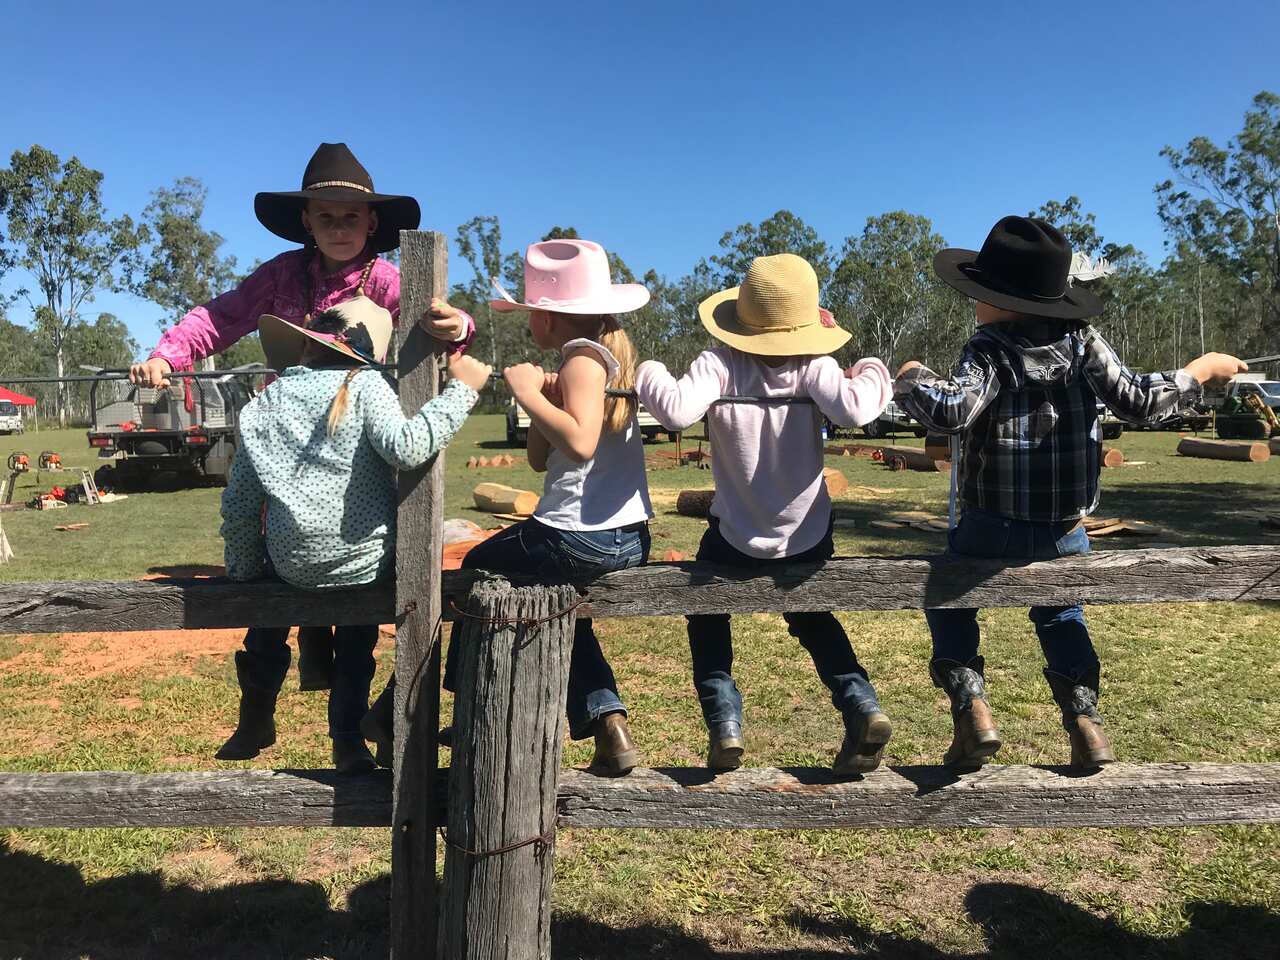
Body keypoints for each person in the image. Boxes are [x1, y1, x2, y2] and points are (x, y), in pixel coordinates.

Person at [894, 216, 1246, 769]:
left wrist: (912, 374)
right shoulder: (1083, 343)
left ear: (997, 301)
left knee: (949, 600)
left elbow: (950, 410)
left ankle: (972, 708)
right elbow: (1137, 400)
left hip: (991, 520)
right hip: (1063, 527)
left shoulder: (989, 347)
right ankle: (1085, 723)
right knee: (1062, 617)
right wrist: (1199, 371)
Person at [130, 142, 475, 693]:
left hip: (355, 444)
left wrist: (458, 327)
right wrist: (167, 355)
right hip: (289, 441)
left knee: (348, 560)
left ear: (372, 222)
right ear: (306, 222)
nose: (339, 227)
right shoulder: (282, 275)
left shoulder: (389, 281)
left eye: (351, 217)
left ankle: (337, 697)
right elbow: (222, 317)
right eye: (326, 216)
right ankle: (260, 702)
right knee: (277, 560)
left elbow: (443, 326)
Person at [363, 239, 654, 775]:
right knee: (559, 602)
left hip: (575, 534)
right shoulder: (595, 359)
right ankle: (608, 722)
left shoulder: (582, 360)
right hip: (625, 536)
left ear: (548, 315)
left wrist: (528, 393)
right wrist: (543, 400)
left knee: (472, 569)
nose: (527, 324)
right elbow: (543, 459)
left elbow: (582, 442)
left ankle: (437, 699)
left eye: (529, 313)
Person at [635, 253, 895, 775]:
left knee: (707, 617)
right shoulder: (815, 367)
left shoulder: (719, 364)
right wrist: (871, 367)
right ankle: (861, 703)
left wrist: (647, 369)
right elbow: (855, 410)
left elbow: (677, 411)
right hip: (807, 536)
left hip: (734, 535)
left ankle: (724, 721)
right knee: (814, 618)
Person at [218, 296, 491, 772]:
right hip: (363, 562)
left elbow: (240, 504)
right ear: (365, 353)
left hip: (290, 564)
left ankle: (256, 714)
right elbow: (407, 448)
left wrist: (246, 576)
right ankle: (347, 740)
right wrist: (461, 392)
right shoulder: (365, 384)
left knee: (273, 610)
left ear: (305, 347)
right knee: (357, 643)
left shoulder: (265, 401)